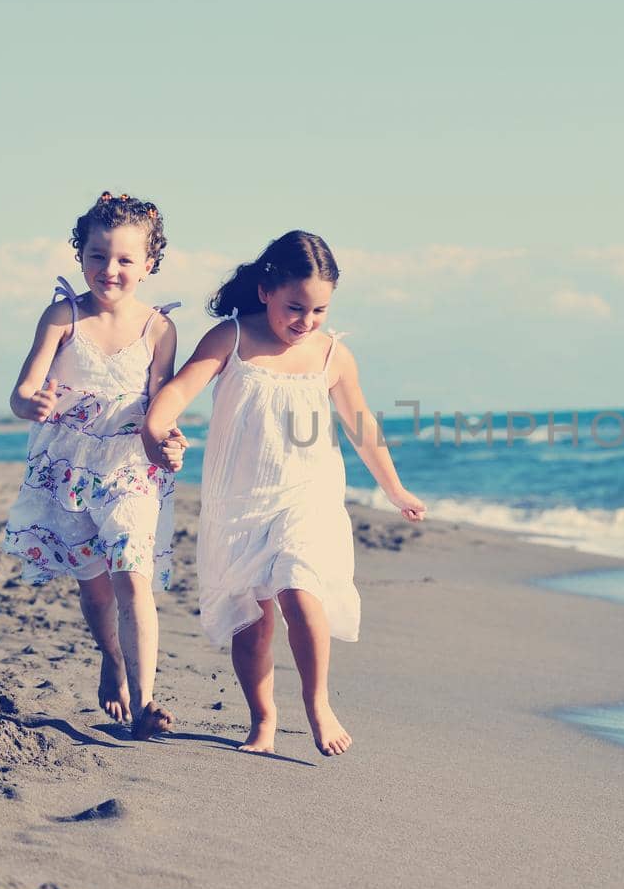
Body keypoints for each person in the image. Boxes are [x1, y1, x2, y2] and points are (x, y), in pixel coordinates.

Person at [142, 230, 425, 757]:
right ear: (268, 289)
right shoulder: (231, 338)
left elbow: (363, 427)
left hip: (307, 496)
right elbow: (180, 389)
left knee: (300, 587)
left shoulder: (332, 355)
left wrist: (395, 489)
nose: (307, 322)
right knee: (252, 623)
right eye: (297, 307)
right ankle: (264, 719)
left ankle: (317, 703)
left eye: (319, 310)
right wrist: (155, 430)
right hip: (239, 502)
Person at [3, 191, 185, 740]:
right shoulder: (64, 315)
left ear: (149, 264)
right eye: (98, 255)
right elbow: (20, 392)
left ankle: (146, 700)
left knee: (133, 576)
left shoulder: (159, 328)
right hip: (68, 472)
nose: (110, 269)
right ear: (80, 255)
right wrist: (30, 403)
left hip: (131, 467)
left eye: (126, 259)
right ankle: (111, 655)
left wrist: (172, 441)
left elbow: (162, 406)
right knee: (95, 588)